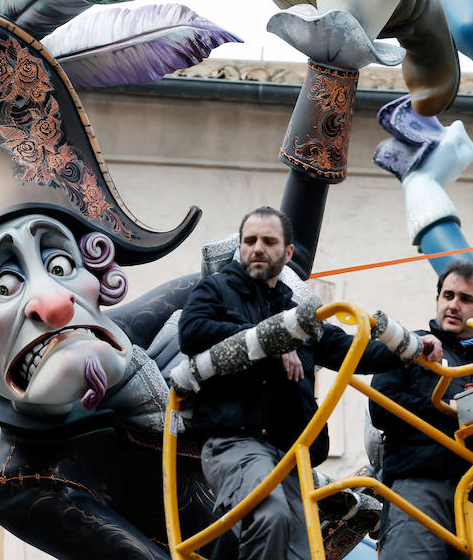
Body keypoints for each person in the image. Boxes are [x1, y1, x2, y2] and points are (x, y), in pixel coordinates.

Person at [177, 206, 442, 560]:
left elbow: (354, 352)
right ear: (240, 247)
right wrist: (272, 342)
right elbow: (192, 333)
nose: (257, 248)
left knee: (301, 552)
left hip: (287, 453)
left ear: (287, 253)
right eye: (249, 240)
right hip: (235, 441)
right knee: (269, 517)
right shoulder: (217, 290)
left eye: (268, 241)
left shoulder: (298, 317)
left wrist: (413, 347)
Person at [370, 259, 473, 560]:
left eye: (465, 299)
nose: (453, 305)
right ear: (437, 300)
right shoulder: (412, 346)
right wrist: (447, 409)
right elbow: (381, 406)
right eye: (448, 296)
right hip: (422, 484)